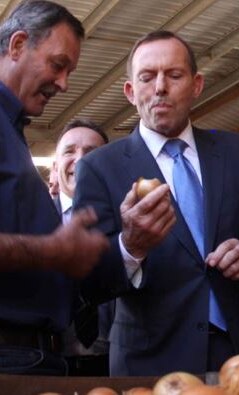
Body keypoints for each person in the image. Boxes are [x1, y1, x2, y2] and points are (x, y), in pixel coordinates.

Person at [74, 30, 239, 376]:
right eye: (147, 77)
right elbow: (86, 280)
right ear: (131, 92)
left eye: (174, 75)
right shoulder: (99, 168)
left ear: (196, 85)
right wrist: (129, 247)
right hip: (152, 363)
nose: (160, 87)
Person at [0, 0, 108, 375]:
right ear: (17, 46)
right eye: (58, 64)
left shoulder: (13, 131)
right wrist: (50, 250)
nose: (63, 84)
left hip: (35, 358)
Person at [53, 119, 113, 376]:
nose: (80, 160)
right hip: (51, 365)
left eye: (91, 153)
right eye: (69, 151)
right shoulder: (32, 221)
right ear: (55, 168)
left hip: (119, 366)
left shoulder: (133, 220)